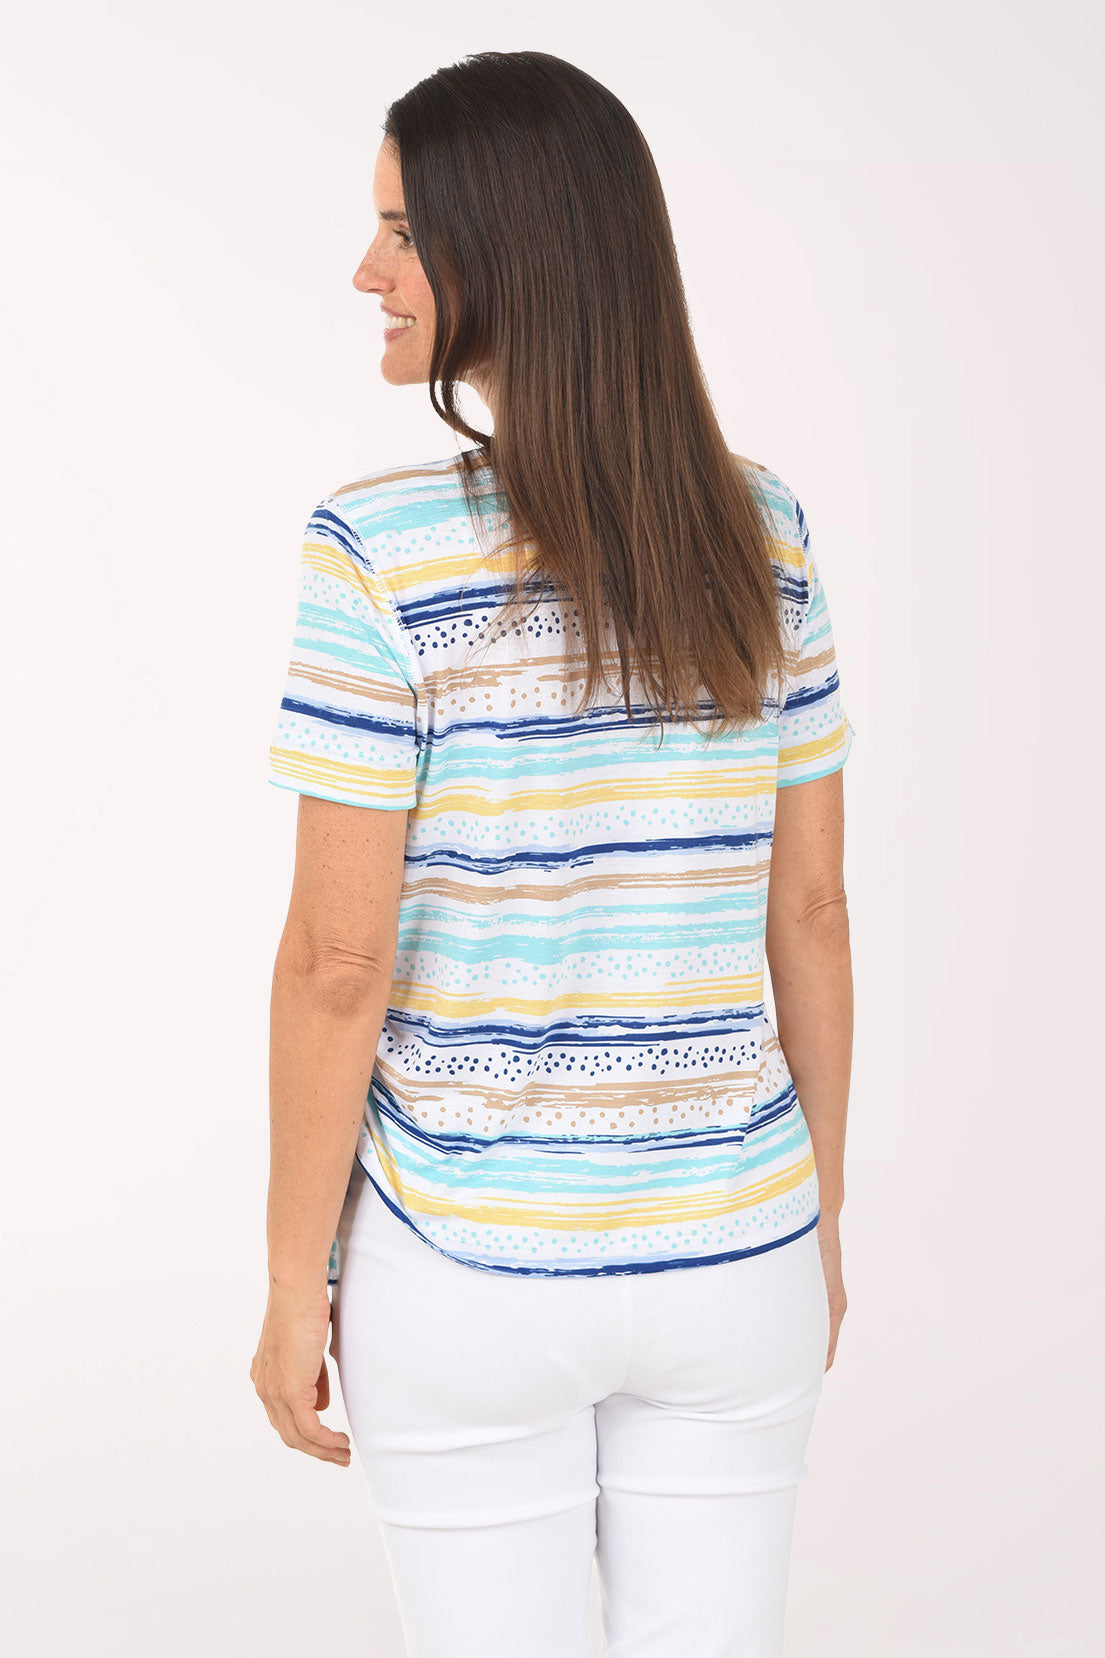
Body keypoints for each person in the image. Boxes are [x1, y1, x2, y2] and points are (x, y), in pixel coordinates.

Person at [251, 49, 856, 1658]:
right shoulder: (765, 534)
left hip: (467, 1263)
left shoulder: (378, 549)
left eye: (401, 232)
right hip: (736, 1246)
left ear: (504, 249)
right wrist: (816, 1223)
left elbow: (335, 963)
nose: (366, 271)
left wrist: (293, 1280)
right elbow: (809, 908)